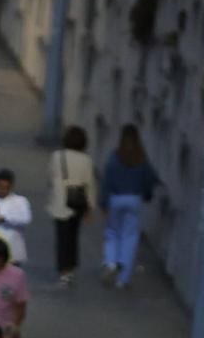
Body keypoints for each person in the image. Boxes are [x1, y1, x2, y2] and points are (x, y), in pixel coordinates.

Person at [98, 123, 159, 289]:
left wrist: (103, 202)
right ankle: (122, 277)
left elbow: (107, 181)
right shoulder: (141, 159)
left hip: (116, 199)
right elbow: (151, 179)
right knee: (130, 237)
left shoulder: (115, 157)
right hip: (134, 200)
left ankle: (110, 262)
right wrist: (147, 194)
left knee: (112, 233)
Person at [48, 124, 95, 285]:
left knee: (61, 238)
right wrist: (90, 208)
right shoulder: (86, 160)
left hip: (60, 202)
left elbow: (51, 177)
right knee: (73, 237)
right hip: (77, 203)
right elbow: (89, 184)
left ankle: (63, 270)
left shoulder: (57, 156)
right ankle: (71, 267)